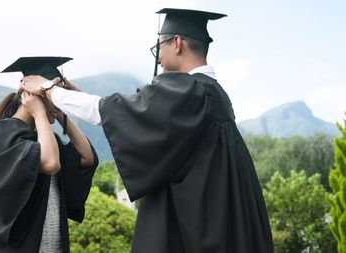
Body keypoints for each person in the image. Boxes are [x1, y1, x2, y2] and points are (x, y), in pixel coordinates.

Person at [20, 8, 274, 253]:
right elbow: (128, 113)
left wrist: (48, 89)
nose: (158, 57)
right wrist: (79, 98)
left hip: (196, 226)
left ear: (176, 43)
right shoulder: (213, 93)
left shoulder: (189, 90)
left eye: (158, 47)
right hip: (217, 220)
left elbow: (116, 113)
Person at [0, 57, 98, 253]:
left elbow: (86, 158)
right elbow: (50, 163)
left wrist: (59, 112)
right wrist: (41, 114)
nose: (59, 98)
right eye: (54, 93)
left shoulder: (43, 137)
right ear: (38, 96)